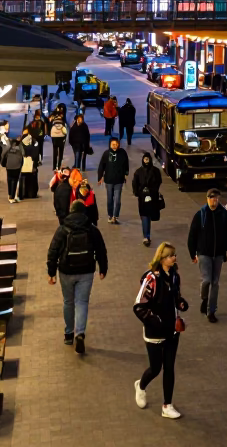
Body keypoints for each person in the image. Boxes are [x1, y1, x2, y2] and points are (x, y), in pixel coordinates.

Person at [133, 241, 188, 419]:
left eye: (174, 255)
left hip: (172, 331)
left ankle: (167, 405)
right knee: (156, 368)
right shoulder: (151, 279)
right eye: (171, 255)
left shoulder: (174, 276)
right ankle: (141, 386)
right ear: (162, 259)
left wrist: (180, 302)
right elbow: (139, 306)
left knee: (169, 367)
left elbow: (175, 296)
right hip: (155, 332)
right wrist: (154, 321)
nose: (174, 258)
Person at [47, 198, 108, 353]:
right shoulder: (92, 228)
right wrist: (103, 268)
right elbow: (101, 249)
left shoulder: (63, 228)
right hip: (86, 270)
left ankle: (68, 334)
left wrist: (51, 272)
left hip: (66, 270)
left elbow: (53, 250)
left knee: (68, 302)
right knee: (82, 302)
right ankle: (80, 333)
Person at [186, 188, 227, 323]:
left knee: (215, 282)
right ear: (207, 199)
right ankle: (204, 298)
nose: (215, 200)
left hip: (218, 254)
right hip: (204, 254)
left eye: (217, 198)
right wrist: (192, 254)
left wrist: (225, 248)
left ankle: (211, 310)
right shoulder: (201, 214)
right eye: (212, 198)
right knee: (206, 280)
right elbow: (192, 235)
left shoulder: (224, 214)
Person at [133, 152, 163, 247]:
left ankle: (146, 235)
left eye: (147, 159)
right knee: (145, 216)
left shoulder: (155, 171)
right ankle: (146, 236)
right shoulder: (138, 172)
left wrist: (152, 191)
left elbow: (158, 182)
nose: (146, 161)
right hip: (142, 198)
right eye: (145, 159)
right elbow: (135, 184)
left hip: (152, 197)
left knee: (148, 216)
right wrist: (138, 193)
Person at [98, 136, 130, 223]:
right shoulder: (106, 154)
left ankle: (115, 216)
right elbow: (101, 166)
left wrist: (126, 174)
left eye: (116, 144)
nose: (115, 146)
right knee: (109, 199)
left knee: (117, 199)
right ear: (110, 145)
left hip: (119, 180)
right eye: (113, 144)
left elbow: (126, 164)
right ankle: (110, 215)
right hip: (109, 180)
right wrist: (100, 177)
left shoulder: (122, 153)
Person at [4, 138, 23, 203]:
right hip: (17, 165)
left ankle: (10, 195)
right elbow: (23, 153)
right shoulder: (19, 146)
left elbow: (3, 154)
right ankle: (13, 197)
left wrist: (3, 163)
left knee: (9, 180)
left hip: (9, 165)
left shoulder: (8, 146)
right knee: (15, 181)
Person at [19, 131, 37, 198]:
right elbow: (35, 156)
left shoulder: (21, 146)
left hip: (23, 166)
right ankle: (31, 194)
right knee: (31, 181)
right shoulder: (32, 146)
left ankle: (21, 195)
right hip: (30, 165)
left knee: (21, 180)